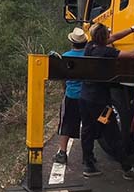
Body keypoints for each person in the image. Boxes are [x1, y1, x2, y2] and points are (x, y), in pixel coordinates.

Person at [80, 19, 134, 182]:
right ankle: (128, 169)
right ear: (104, 37)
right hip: (100, 103)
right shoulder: (106, 53)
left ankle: (88, 165)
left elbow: (114, 38)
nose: (110, 36)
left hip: (85, 98)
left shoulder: (90, 47)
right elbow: (133, 55)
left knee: (87, 130)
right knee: (113, 134)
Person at [53, 27, 87, 164]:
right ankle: (88, 156)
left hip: (71, 95)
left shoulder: (66, 56)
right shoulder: (89, 55)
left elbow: (62, 77)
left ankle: (62, 153)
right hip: (87, 95)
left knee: (66, 124)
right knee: (87, 126)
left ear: (72, 43)